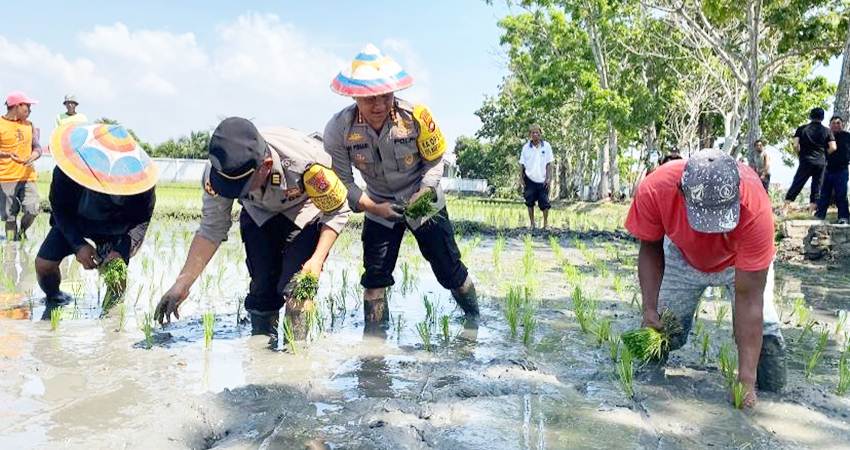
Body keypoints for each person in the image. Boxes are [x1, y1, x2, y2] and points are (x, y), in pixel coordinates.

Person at [155, 118, 350, 343]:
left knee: (298, 289)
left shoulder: (307, 164)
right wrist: (182, 284)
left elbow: (337, 210)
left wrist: (316, 261)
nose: (234, 191)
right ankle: (260, 351)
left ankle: (296, 359)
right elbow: (212, 228)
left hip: (305, 212)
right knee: (261, 292)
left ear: (266, 165)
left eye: (241, 186)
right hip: (258, 213)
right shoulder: (218, 171)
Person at [323, 44, 479, 327]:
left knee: (450, 271)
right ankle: (374, 349)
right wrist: (373, 207)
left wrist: (425, 190)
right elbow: (342, 181)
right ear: (354, 95)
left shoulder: (416, 117)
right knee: (374, 278)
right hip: (378, 203)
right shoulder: (338, 129)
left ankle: (475, 321)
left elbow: (435, 160)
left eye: (385, 96)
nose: (379, 105)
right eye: (369, 99)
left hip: (423, 200)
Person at [625, 149, 786, 409]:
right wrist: (649, 308)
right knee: (661, 328)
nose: (711, 232)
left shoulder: (755, 205)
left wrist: (745, 381)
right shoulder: (655, 189)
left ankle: (772, 394)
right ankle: (645, 384)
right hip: (681, 254)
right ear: (681, 190)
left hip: (738, 261)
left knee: (765, 335)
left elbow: (750, 299)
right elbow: (651, 246)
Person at [35, 123, 157, 302]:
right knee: (43, 265)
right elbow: (59, 208)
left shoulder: (140, 184)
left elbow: (141, 221)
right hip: (76, 221)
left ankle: (112, 317)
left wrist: (122, 251)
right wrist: (78, 244)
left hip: (116, 227)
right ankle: (54, 298)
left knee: (116, 270)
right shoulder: (69, 169)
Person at [0, 91, 42, 241]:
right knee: (9, 217)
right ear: (17, 106)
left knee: (33, 209)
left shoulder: (29, 125)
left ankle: (22, 232)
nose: (29, 111)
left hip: (27, 176)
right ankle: (11, 247)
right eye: (27, 107)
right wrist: (7, 154)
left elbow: (37, 147)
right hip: (6, 177)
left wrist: (34, 155)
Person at [785, 107, 836, 213]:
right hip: (821, 162)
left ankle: (785, 208)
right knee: (817, 186)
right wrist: (824, 154)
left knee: (797, 183)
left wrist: (800, 154)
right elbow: (833, 147)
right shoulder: (827, 131)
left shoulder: (802, 129)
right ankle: (811, 212)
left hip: (806, 160)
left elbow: (795, 145)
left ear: (810, 116)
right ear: (822, 118)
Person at [815, 116, 850, 223]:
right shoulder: (825, 137)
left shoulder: (847, 136)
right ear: (829, 125)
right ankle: (819, 216)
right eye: (833, 123)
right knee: (824, 195)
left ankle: (843, 217)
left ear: (842, 125)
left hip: (841, 170)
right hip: (827, 170)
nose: (836, 125)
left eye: (838, 123)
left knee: (841, 194)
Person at [519, 124, 554, 230]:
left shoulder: (546, 146)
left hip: (543, 180)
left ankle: (545, 224)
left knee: (545, 202)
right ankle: (532, 224)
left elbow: (549, 163)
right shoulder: (526, 148)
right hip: (529, 179)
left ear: (540, 134)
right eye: (533, 133)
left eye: (537, 133)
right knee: (529, 202)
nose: (535, 134)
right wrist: (521, 178)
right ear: (530, 135)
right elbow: (521, 164)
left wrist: (549, 178)